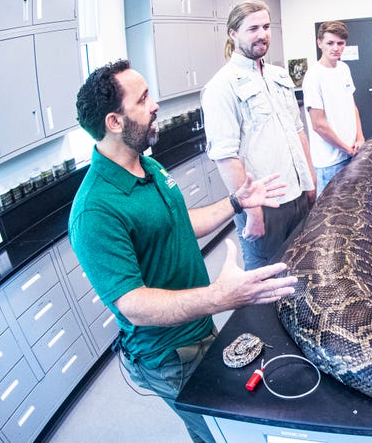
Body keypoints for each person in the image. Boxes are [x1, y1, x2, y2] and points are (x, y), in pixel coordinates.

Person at [70, 60, 298, 443]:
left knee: (235, 423)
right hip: (168, 354)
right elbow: (133, 304)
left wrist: (237, 203)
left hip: (199, 325)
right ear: (114, 122)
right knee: (219, 434)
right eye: (143, 100)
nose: (155, 104)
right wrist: (217, 297)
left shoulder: (147, 166)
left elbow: (180, 222)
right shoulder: (94, 210)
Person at [201, 0, 317, 270]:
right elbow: (226, 156)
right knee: (268, 279)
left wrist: (310, 180)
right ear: (233, 33)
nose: (263, 34)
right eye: (252, 28)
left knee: (304, 266)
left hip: (297, 194)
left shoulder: (279, 75)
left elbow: (298, 131)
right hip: (265, 206)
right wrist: (253, 212)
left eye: (266, 26)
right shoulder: (221, 87)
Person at [303, 20, 365, 195]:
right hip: (330, 162)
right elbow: (318, 125)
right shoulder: (313, 76)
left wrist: (360, 138)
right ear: (319, 43)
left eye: (340, 43)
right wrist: (346, 149)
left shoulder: (344, 69)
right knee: (330, 216)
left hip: (352, 153)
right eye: (330, 43)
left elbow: (353, 108)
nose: (336, 48)